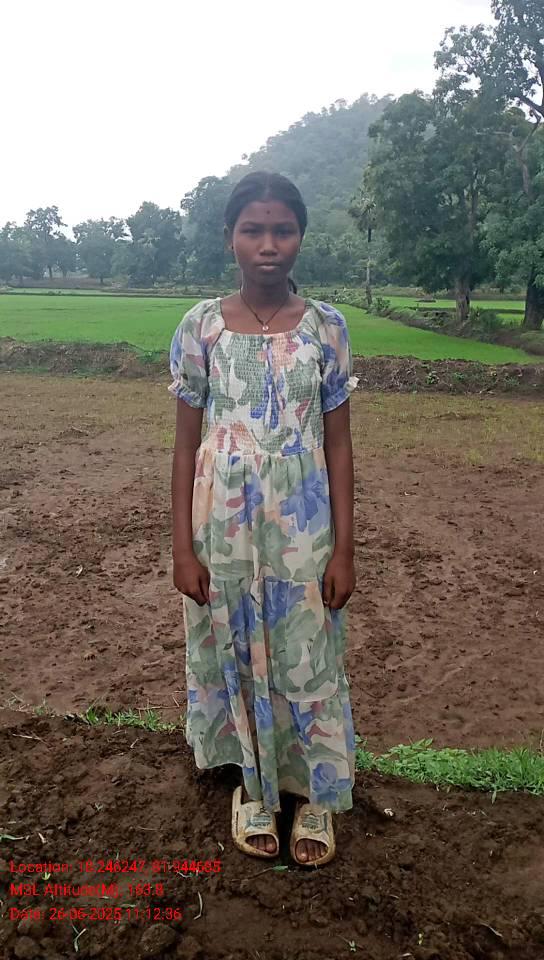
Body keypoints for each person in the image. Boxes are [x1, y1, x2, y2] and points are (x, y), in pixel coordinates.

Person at [169, 171, 359, 868]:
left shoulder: (326, 328)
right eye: (254, 230)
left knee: (309, 652)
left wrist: (345, 549)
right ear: (231, 238)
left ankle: (314, 792)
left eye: (283, 230)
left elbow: (339, 444)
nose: (269, 244)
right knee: (234, 646)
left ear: (301, 237)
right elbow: (185, 444)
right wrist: (182, 548)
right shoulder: (201, 327)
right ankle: (252, 787)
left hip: (304, 525)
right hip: (221, 525)